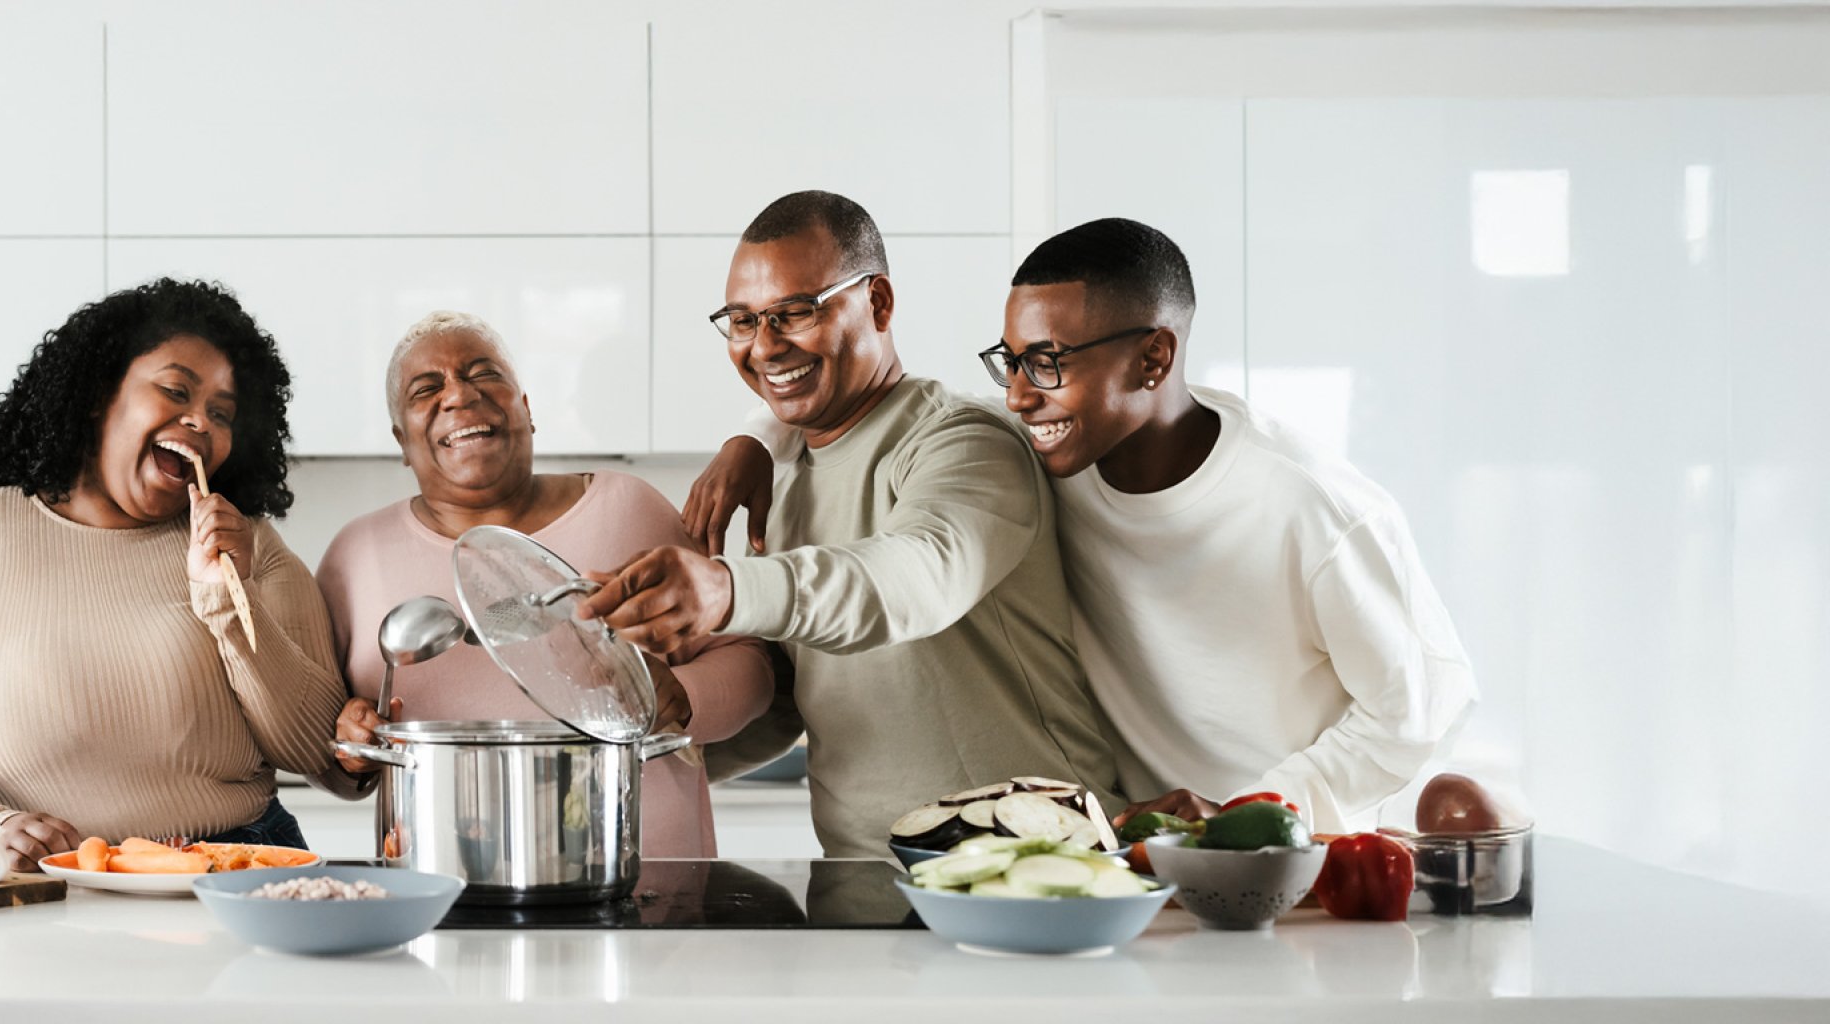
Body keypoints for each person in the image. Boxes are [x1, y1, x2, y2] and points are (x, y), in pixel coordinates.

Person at [580, 191, 1125, 858]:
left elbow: (914, 578)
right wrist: (663, 729)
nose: (766, 346)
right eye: (744, 320)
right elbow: (799, 698)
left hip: (1037, 865)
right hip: (866, 877)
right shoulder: (780, 483)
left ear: (880, 304)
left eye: (795, 313)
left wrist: (728, 590)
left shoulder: (962, 441)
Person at [993, 218, 1476, 831]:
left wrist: (1246, 814)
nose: (1017, 396)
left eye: (1046, 363)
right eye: (1009, 362)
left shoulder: (1311, 503)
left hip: (1298, 868)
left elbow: (1418, 712)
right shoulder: (1040, 463)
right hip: (1139, 860)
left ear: (1153, 359)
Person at [0, 278, 348, 866]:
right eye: (175, 391)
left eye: (221, 413)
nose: (201, 423)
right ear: (98, 394)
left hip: (231, 869)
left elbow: (316, 747)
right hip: (27, 875)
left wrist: (228, 604)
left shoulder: (251, 548)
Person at [316, 311, 773, 857]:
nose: (459, 396)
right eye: (427, 388)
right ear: (402, 439)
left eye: (484, 374)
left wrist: (685, 698)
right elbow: (336, 745)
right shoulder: (355, 556)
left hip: (645, 873)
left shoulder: (630, 509)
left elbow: (750, 663)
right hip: (437, 883)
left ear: (527, 410)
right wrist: (351, 741)